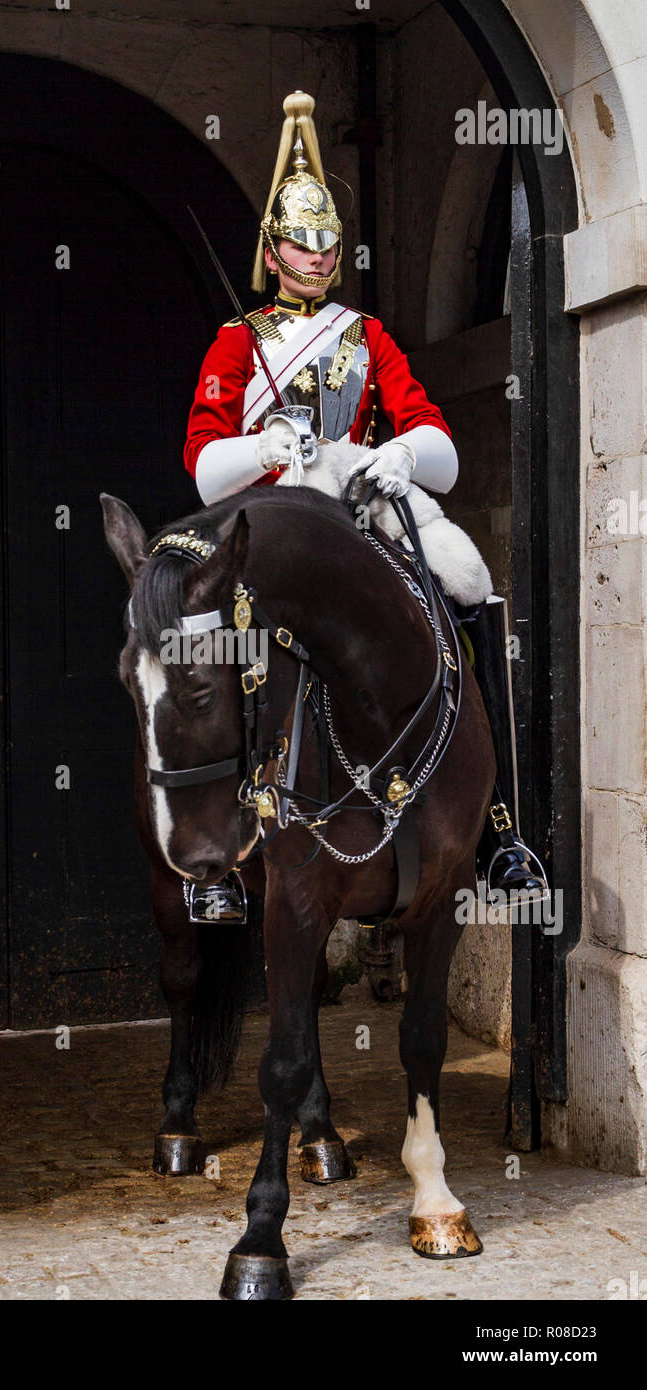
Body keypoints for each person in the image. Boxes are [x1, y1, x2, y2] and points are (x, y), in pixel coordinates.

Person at [181, 91, 548, 924]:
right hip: (271, 513)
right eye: (300, 244)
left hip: (362, 499)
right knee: (203, 634)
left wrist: (398, 452)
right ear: (272, 253)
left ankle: (500, 832)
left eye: (327, 243)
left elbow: (441, 449)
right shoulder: (238, 341)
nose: (316, 257)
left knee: (467, 581)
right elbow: (205, 462)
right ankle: (215, 856)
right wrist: (270, 449)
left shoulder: (368, 335)